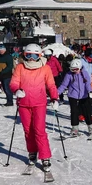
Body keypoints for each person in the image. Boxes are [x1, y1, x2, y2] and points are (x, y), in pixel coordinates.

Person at [10, 44, 58, 172]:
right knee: (28, 131)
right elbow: (14, 82)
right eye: (28, 55)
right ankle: (32, 152)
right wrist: (16, 90)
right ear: (24, 55)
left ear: (39, 56)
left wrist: (54, 98)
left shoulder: (45, 68)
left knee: (39, 130)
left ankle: (45, 156)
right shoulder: (20, 67)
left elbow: (51, 85)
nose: (31, 58)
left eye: (34, 55)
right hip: (24, 103)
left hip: (39, 103)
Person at [57, 58, 92, 137]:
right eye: (72, 69)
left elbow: (87, 84)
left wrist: (90, 91)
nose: (74, 71)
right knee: (74, 112)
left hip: (84, 96)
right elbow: (64, 85)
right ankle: (75, 129)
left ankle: (90, 127)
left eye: (76, 69)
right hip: (73, 96)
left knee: (87, 112)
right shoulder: (69, 75)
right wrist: (56, 93)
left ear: (80, 67)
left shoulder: (84, 73)